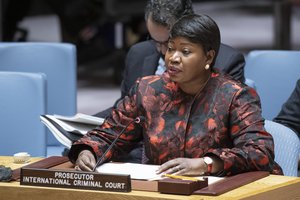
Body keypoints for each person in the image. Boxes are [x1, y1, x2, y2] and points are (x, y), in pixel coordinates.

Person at [68, 14, 282, 176]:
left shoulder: (234, 96)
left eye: (185, 52)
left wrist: (207, 163)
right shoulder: (148, 90)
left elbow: (259, 152)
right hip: (164, 189)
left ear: (208, 56)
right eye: (171, 49)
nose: (173, 58)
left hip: (225, 190)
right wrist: (89, 151)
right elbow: (109, 134)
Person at [95, 0, 245, 118]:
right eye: (155, 40)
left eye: (169, 43)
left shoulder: (227, 61)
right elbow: (123, 110)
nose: (162, 50)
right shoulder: (138, 54)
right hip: (135, 149)